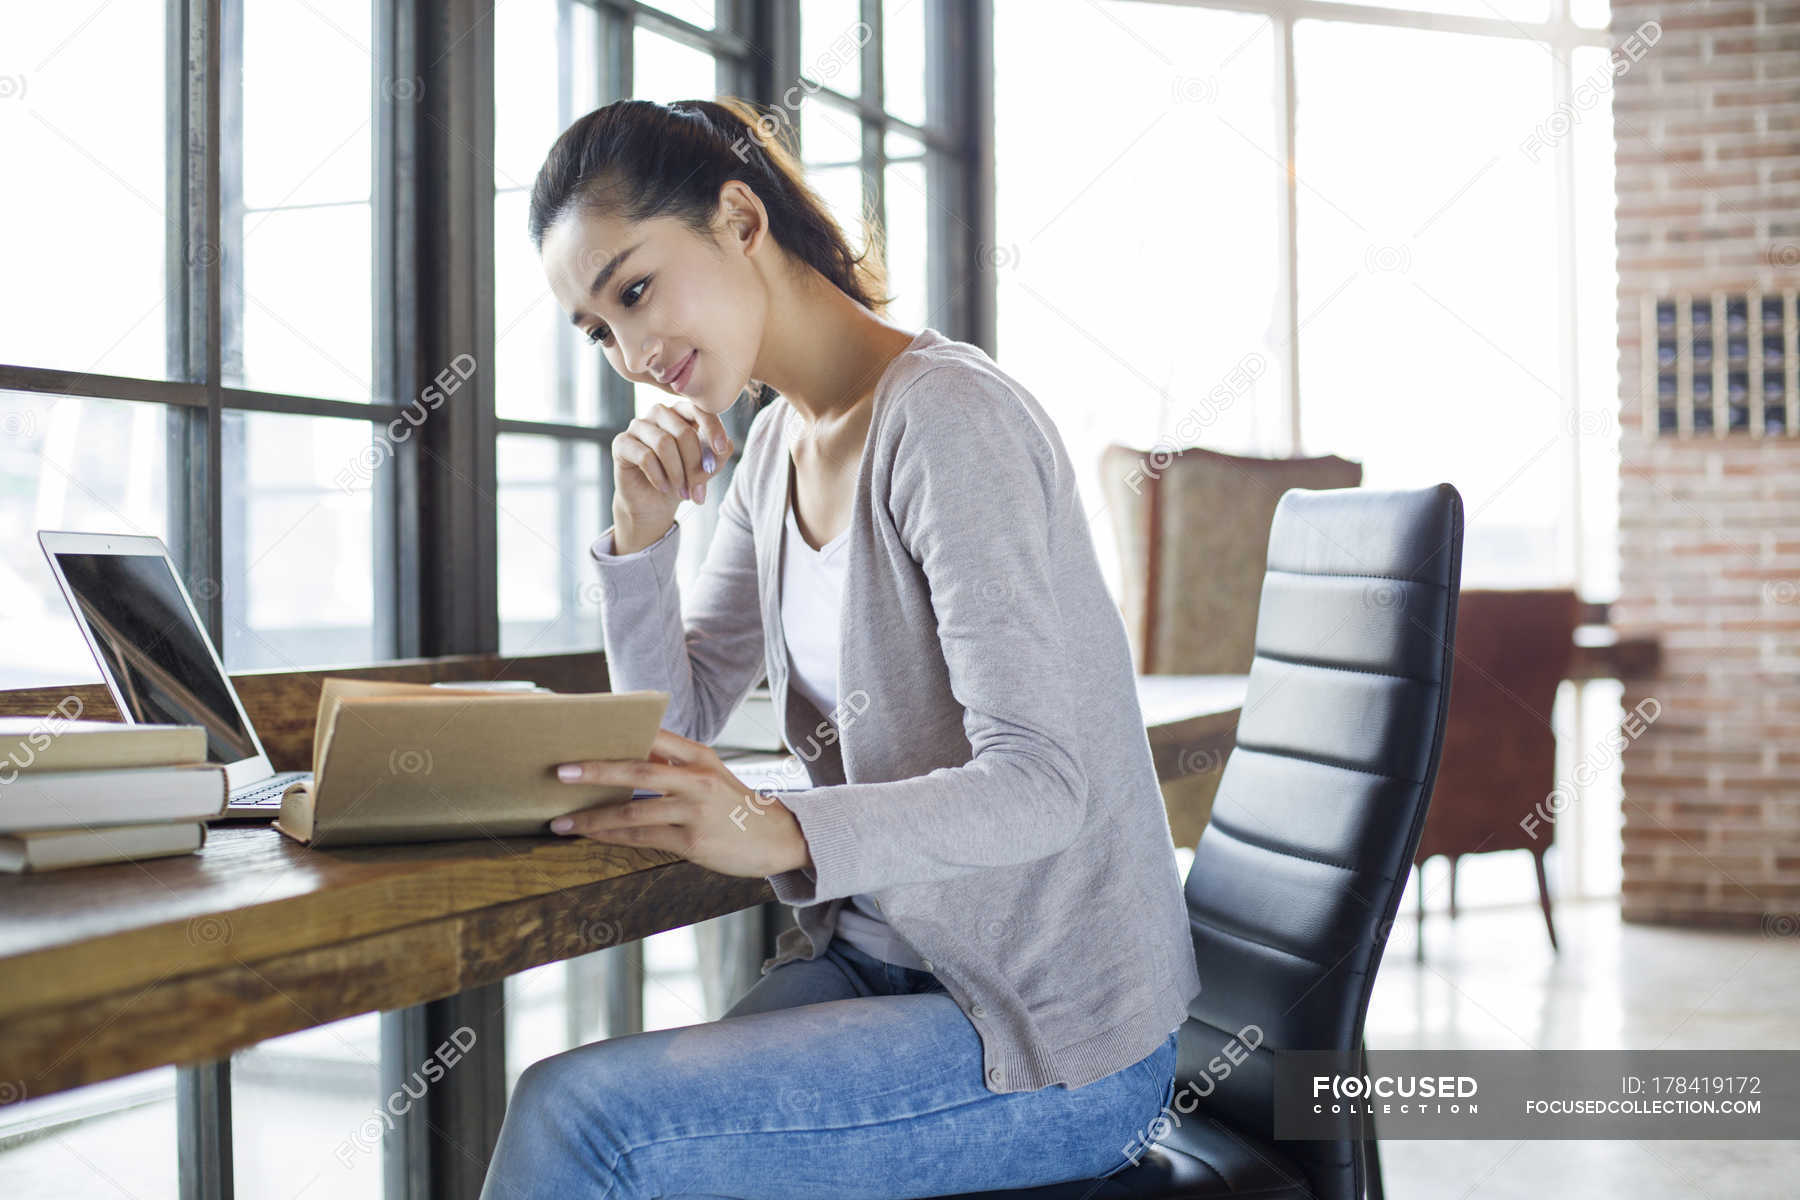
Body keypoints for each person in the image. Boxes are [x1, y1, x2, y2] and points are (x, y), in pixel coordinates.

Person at [478, 96, 1200, 1200]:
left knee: (584, 1125)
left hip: (1053, 1030)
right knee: (599, 1130)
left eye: (633, 291)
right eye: (598, 330)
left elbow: (1045, 784)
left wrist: (776, 828)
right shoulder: (774, 451)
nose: (629, 353)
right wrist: (640, 541)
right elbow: (679, 729)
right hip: (879, 973)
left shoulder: (946, 418)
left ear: (739, 219)